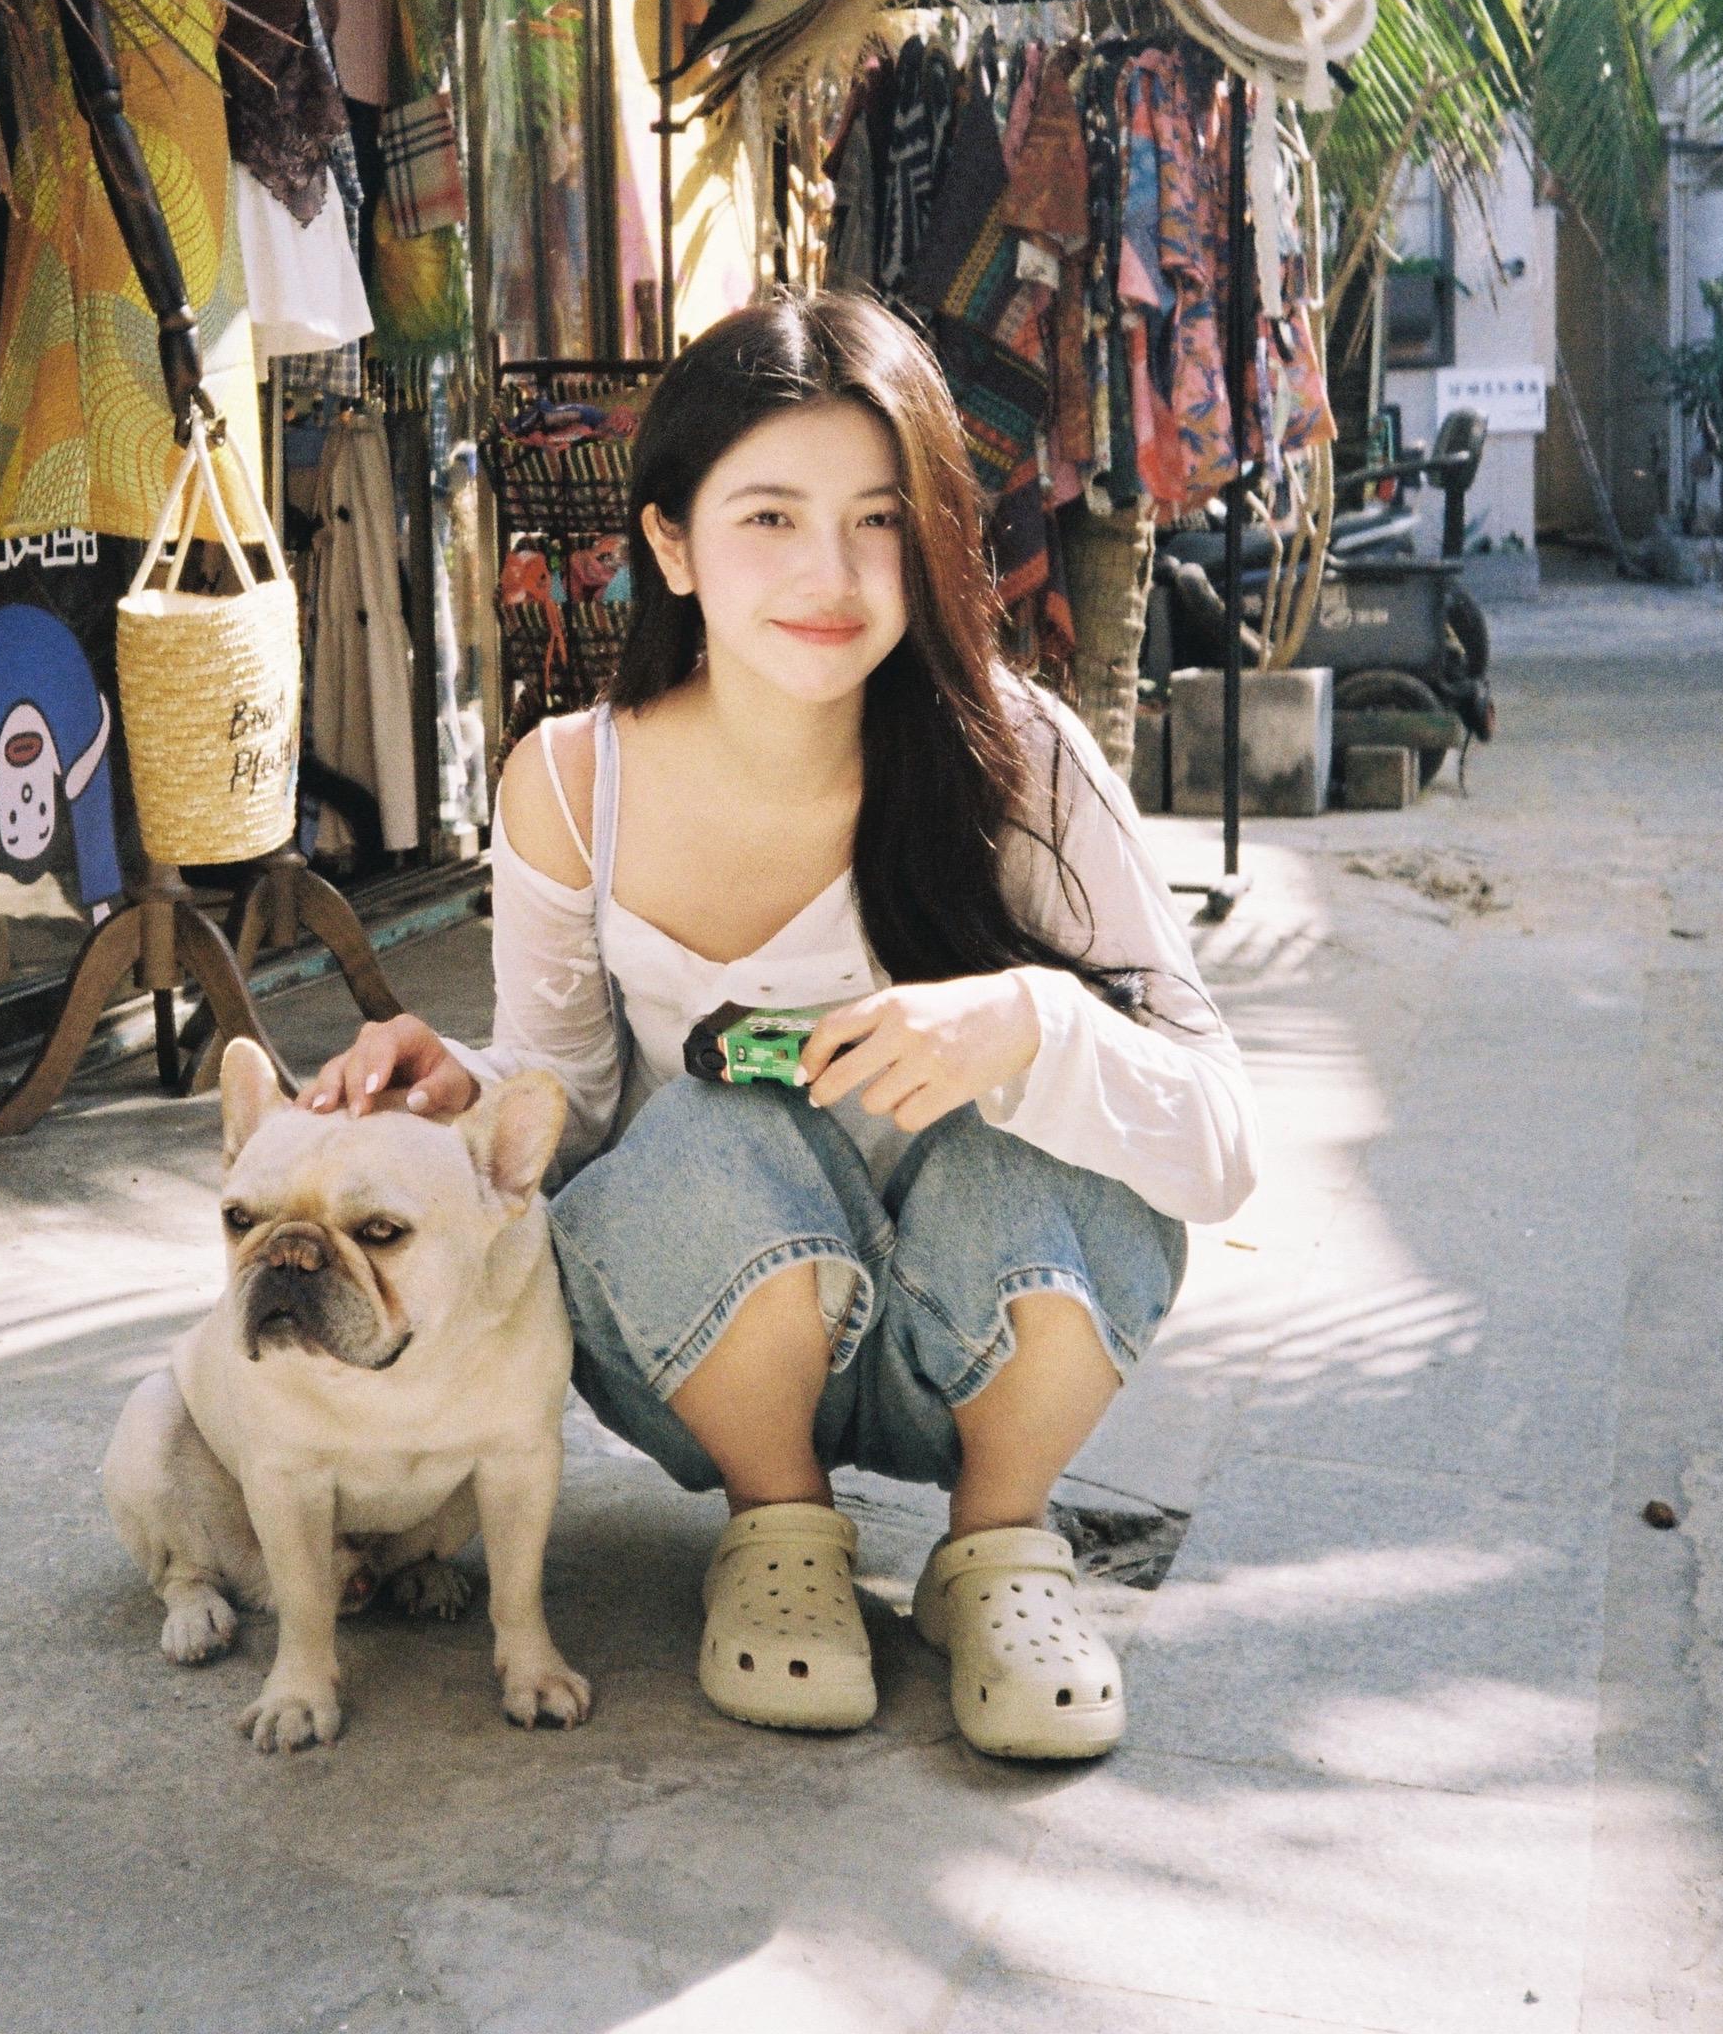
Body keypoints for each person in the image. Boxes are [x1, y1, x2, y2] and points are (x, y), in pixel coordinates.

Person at [306, 292, 1257, 1759]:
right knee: (703, 1127)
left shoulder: (1022, 759)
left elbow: (1222, 1146)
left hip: (982, 1335)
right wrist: (465, 1088)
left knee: (1046, 1120)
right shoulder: (570, 787)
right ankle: (780, 1531)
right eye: (769, 517)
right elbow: (574, 1112)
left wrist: (1029, 1024)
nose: (831, 573)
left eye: (879, 520)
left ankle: (1000, 1550)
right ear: (672, 542)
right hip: (722, 1354)